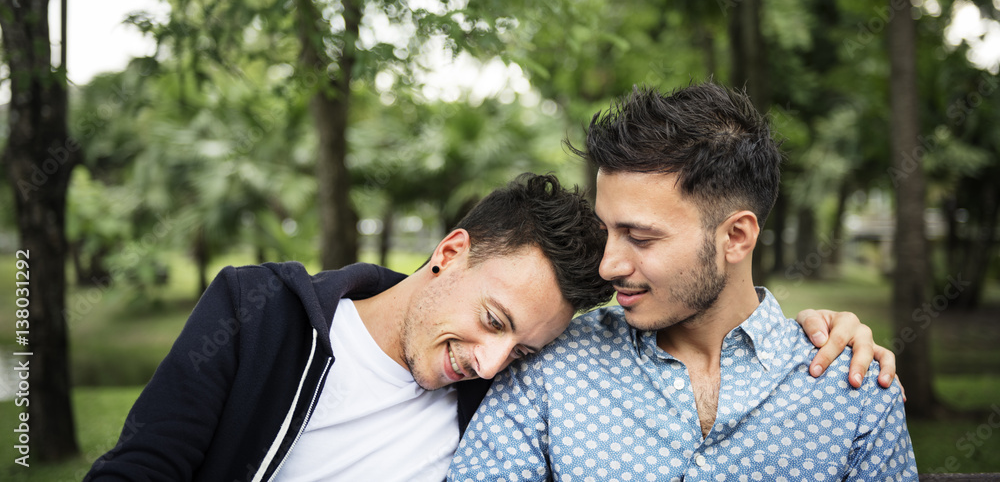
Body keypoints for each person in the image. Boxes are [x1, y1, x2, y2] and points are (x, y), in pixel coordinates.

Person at [86, 174, 895, 482]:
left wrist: (811, 327)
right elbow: (139, 470)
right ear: (450, 253)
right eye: (494, 321)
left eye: (523, 349)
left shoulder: (505, 400)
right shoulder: (258, 315)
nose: (491, 361)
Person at [449, 84, 917, 481]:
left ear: (736, 236)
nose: (607, 265)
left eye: (639, 237)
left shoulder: (853, 391)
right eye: (607, 231)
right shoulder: (551, 367)